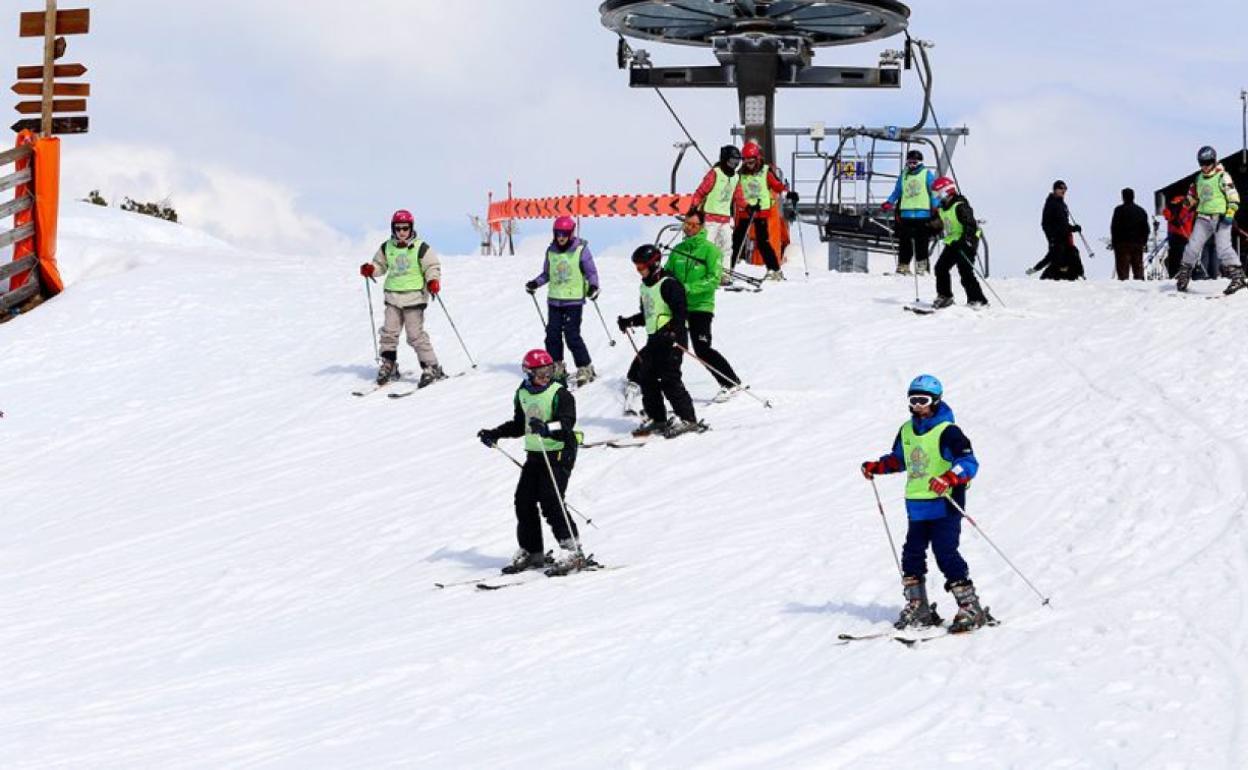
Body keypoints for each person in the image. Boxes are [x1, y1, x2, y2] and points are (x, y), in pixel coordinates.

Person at [860, 375, 989, 633]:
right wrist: (877, 466)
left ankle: (970, 606)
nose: (918, 405)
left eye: (924, 399)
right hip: (917, 505)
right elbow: (900, 459)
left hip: (945, 504)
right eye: (913, 399)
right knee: (912, 554)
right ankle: (918, 607)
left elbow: (970, 463)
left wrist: (949, 477)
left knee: (945, 552)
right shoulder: (906, 431)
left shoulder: (949, 431)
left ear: (936, 400)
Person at [476, 349, 585, 574]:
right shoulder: (523, 393)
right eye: (541, 372)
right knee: (523, 501)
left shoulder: (560, 394)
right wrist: (495, 433)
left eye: (549, 370)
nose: (546, 376)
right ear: (528, 373)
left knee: (551, 499)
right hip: (535, 454)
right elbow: (520, 425)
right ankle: (532, 551)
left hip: (559, 453)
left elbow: (567, 426)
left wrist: (546, 429)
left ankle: (572, 550)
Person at [617, 244, 701, 438]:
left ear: (654, 264)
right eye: (637, 267)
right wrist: (629, 321)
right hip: (654, 340)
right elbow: (648, 314)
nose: (639, 271)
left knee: (670, 379)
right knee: (646, 378)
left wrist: (673, 333)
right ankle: (658, 419)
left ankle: (688, 419)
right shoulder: (645, 287)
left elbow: (681, 313)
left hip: (672, 340)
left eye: (641, 267)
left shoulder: (669, 283)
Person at [359, 209, 446, 387]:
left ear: (411, 228)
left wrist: (433, 281)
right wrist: (371, 269)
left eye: (405, 228)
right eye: (398, 228)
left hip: (414, 297)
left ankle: (431, 366)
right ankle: (389, 364)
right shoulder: (387, 247)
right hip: (393, 296)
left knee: (415, 335)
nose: (401, 232)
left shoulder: (421, 247)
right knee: (389, 333)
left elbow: (432, 266)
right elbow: (380, 265)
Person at [663, 210, 742, 401]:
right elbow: (667, 273)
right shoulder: (677, 250)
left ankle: (730, 382)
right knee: (665, 343)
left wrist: (687, 288)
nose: (689, 228)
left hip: (701, 307)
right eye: (686, 224)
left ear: (701, 227)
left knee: (702, 348)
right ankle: (651, 380)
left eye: (693, 225)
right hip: (678, 307)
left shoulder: (710, 250)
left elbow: (714, 280)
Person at [525, 216, 600, 387]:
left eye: (565, 234)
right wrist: (535, 283)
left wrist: (593, 286)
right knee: (552, 334)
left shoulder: (581, 249)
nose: (561, 237)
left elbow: (591, 272)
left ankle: (585, 367)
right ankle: (556, 366)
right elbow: (547, 274)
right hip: (554, 300)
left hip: (573, 301)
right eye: (558, 233)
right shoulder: (551, 251)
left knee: (572, 335)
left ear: (571, 233)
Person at [1177, 146, 1244, 294]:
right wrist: (1187, 203)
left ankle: (1237, 276)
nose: (1205, 167)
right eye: (1202, 163)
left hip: (1221, 218)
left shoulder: (1222, 176)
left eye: (1207, 163)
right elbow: (1193, 195)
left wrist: (1230, 213)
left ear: (1214, 161)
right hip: (1203, 217)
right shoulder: (1199, 178)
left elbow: (1233, 196)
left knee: (1223, 247)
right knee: (1193, 246)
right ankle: (1184, 273)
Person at [731, 141, 788, 281]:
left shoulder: (765, 171)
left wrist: (787, 193)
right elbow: (735, 191)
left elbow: (777, 185)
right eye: (746, 162)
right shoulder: (740, 174)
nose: (749, 165)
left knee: (763, 242)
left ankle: (774, 270)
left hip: (761, 211)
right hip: (746, 211)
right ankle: (729, 268)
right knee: (737, 240)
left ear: (757, 159)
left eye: (751, 162)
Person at [929, 177, 989, 308]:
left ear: (946, 191)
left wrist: (965, 241)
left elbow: (971, 225)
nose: (936, 197)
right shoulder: (942, 208)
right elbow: (939, 225)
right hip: (953, 242)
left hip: (967, 241)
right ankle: (945, 296)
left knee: (965, 271)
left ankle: (978, 300)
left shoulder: (960, 205)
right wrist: (927, 229)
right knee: (940, 268)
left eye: (937, 193)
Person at [689, 145, 747, 280]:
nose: (735, 165)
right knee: (707, 247)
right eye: (732, 161)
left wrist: (749, 207)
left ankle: (724, 275)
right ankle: (701, 273)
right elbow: (701, 191)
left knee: (727, 248)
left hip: (725, 219)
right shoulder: (715, 173)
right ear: (724, 159)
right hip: (710, 218)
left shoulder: (735, 178)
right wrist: (694, 206)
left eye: (737, 162)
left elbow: (739, 197)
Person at [882, 149, 939, 276]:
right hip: (906, 214)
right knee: (905, 241)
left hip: (922, 214)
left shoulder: (926, 174)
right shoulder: (904, 175)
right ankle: (903, 266)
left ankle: (921, 267)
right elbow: (897, 191)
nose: (911, 165)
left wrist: (935, 205)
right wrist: (889, 202)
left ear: (919, 163)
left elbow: (933, 192)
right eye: (909, 162)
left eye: (914, 162)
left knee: (921, 242)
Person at [1026, 180, 1084, 280]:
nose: (1064, 190)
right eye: (1061, 188)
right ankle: (1044, 277)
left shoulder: (1062, 205)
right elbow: (1045, 223)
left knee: (1073, 253)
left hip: (1064, 236)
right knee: (1056, 257)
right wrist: (1052, 236)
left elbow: (1064, 224)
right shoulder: (1051, 204)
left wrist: (1073, 228)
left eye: (1065, 188)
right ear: (1055, 189)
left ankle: (1079, 275)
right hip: (1056, 238)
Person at [1110, 188, 1150, 281]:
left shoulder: (1118, 210)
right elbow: (1146, 229)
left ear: (1123, 197)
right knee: (1138, 270)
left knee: (1123, 272)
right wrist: (1144, 242)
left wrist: (1114, 243)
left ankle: (1124, 291)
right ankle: (1140, 289)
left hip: (1122, 244)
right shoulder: (1141, 211)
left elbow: (1114, 228)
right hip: (1137, 244)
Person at [1162, 194, 1195, 278]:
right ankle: (1180, 275)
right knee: (1181, 256)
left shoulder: (1174, 203)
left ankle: (1174, 274)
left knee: (1175, 256)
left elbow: (1166, 213)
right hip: (1182, 234)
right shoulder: (1184, 204)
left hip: (1175, 234)